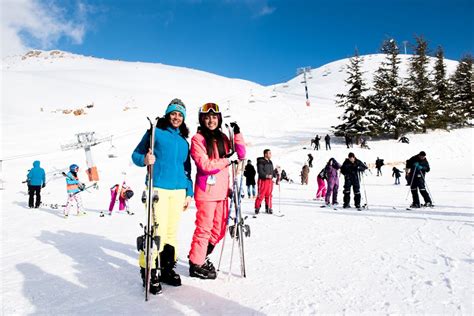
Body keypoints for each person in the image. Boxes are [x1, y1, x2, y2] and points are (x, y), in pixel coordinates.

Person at [132, 98, 193, 294]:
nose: (176, 117)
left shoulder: (184, 142)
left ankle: (166, 269)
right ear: (168, 114)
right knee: (154, 231)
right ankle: (149, 271)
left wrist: (188, 191)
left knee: (171, 233)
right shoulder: (155, 132)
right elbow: (136, 154)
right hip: (157, 187)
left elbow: (187, 170)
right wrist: (144, 159)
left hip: (178, 192)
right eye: (173, 113)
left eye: (180, 114)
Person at [188, 102, 246, 280]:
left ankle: (200, 256)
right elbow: (206, 166)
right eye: (207, 117)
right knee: (204, 229)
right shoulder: (198, 139)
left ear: (219, 118)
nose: (211, 120)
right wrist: (228, 160)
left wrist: (237, 134)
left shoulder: (223, 137)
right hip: (206, 192)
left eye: (214, 117)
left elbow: (241, 154)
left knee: (219, 230)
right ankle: (196, 263)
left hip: (222, 192)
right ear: (202, 119)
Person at [255, 149, 274, 214]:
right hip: (263, 180)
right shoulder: (261, 161)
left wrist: (276, 172)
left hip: (270, 181)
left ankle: (268, 207)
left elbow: (272, 171)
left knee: (269, 195)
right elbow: (260, 171)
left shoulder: (270, 162)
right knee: (261, 194)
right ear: (265, 154)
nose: (270, 155)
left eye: (270, 153)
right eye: (269, 153)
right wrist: (266, 176)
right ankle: (257, 207)